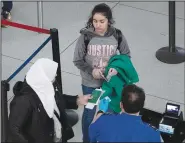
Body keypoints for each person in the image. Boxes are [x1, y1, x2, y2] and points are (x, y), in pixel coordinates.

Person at [73, 3, 130, 142]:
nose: (98, 25)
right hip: (90, 84)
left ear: (109, 21)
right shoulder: (85, 37)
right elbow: (77, 60)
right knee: (89, 112)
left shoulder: (117, 35)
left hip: (109, 85)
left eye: (101, 21)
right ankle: (87, 139)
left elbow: (126, 55)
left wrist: (117, 68)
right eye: (95, 21)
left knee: (109, 113)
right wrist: (91, 71)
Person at [8, 58, 92, 143]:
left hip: (55, 135)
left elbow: (57, 99)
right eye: (52, 74)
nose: (55, 75)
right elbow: (14, 130)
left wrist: (77, 100)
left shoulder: (48, 84)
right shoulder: (23, 100)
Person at [89, 84, 162, 142]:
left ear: (121, 105)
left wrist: (101, 111)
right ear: (142, 106)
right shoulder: (153, 133)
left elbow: (92, 131)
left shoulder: (103, 121)